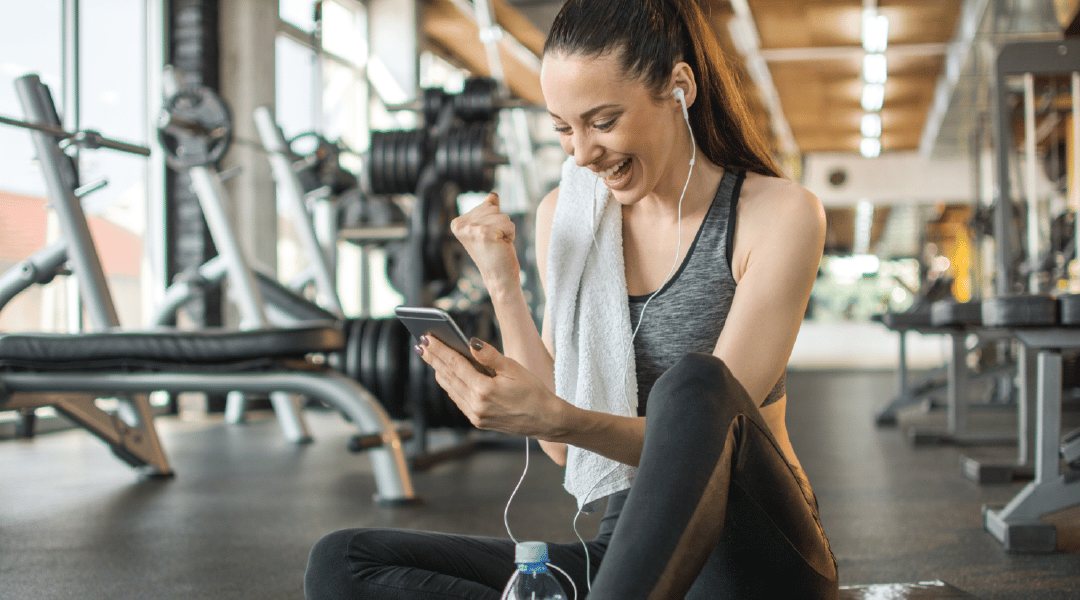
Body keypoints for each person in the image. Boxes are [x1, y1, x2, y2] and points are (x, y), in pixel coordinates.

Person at [304, 0, 839, 598]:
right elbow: (561, 449)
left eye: (603, 122)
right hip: (628, 555)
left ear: (679, 89)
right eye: (564, 128)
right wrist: (503, 280)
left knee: (696, 386)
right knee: (345, 561)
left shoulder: (777, 214)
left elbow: (707, 437)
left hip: (754, 551)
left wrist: (557, 417)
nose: (581, 153)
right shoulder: (571, 217)